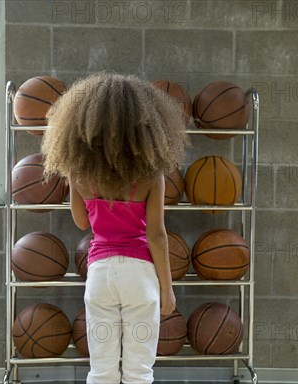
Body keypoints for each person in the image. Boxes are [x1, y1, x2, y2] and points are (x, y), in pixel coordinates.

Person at [41, 73, 188, 384]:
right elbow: (157, 236)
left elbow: (82, 223)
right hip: (140, 275)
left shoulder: (79, 175)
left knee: (102, 370)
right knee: (139, 371)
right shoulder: (152, 176)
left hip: (101, 274)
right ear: (145, 127)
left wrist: (73, 180)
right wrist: (167, 287)